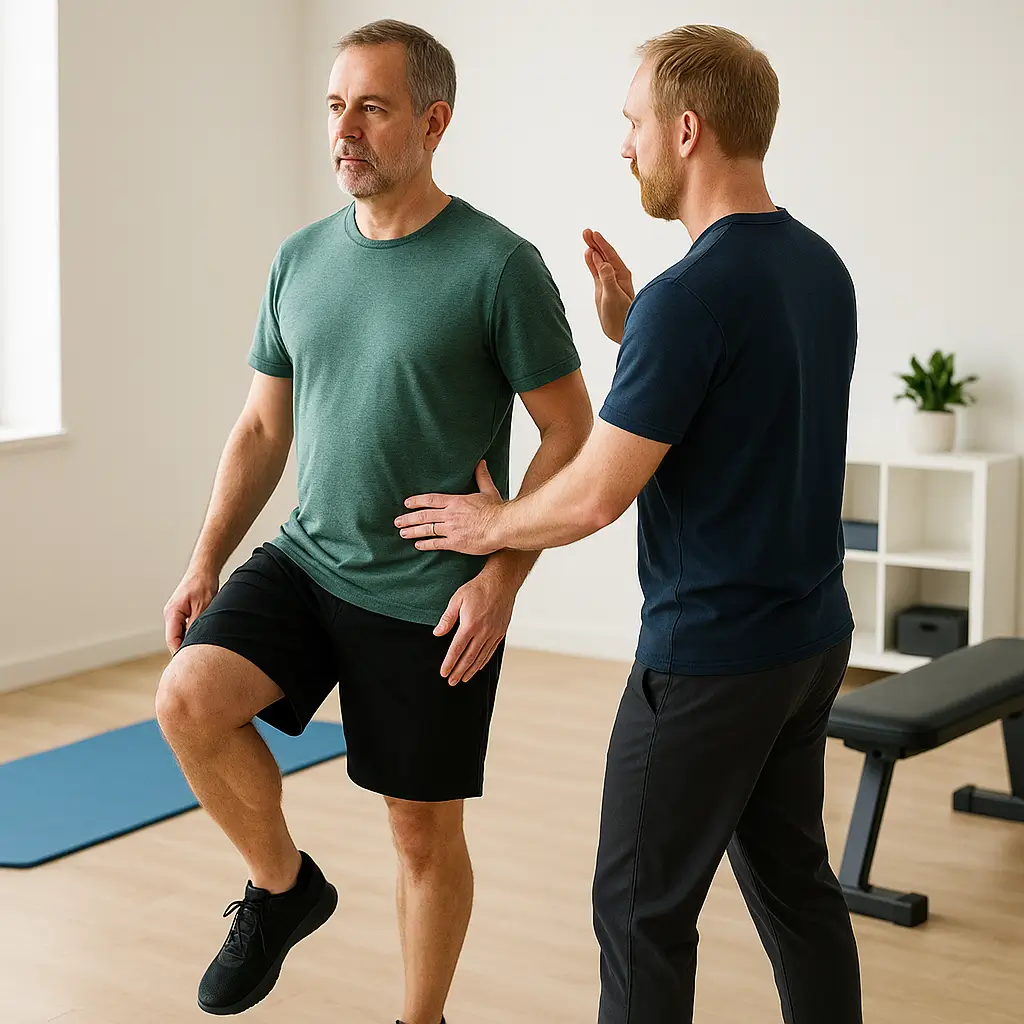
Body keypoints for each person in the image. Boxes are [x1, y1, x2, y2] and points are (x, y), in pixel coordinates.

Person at [395, 24, 863, 1024]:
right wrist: (633, 322)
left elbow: (598, 491)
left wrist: (491, 523)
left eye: (633, 123)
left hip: (708, 661)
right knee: (797, 890)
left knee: (639, 912)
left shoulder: (689, 300)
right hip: (808, 638)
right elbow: (740, 408)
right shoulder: (816, 269)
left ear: (685, 130)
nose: (625, 146)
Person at [156, 19, 591, 1024]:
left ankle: (419, 1019)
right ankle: (281, 888)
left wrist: (501, 567)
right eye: (334, 105)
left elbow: (569, 434)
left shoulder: (498, 266)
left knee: (419, 839)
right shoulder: (300, 257)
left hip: (430, 593)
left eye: (373, 106)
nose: (344, 128)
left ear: (433, 122)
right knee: (188, 697)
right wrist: (205, 558)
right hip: (309, 560)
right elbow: (264, 425)